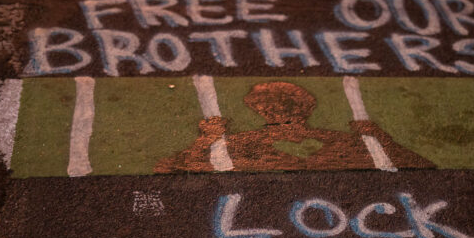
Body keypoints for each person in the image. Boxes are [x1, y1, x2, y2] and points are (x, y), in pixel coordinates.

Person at [155, 81, 435, 172]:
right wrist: (379, 137)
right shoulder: (349, 141)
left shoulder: (235, 144)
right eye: (272, 106)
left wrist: (206, 140)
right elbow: (418, 164)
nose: (279, 111)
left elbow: (170, 167)